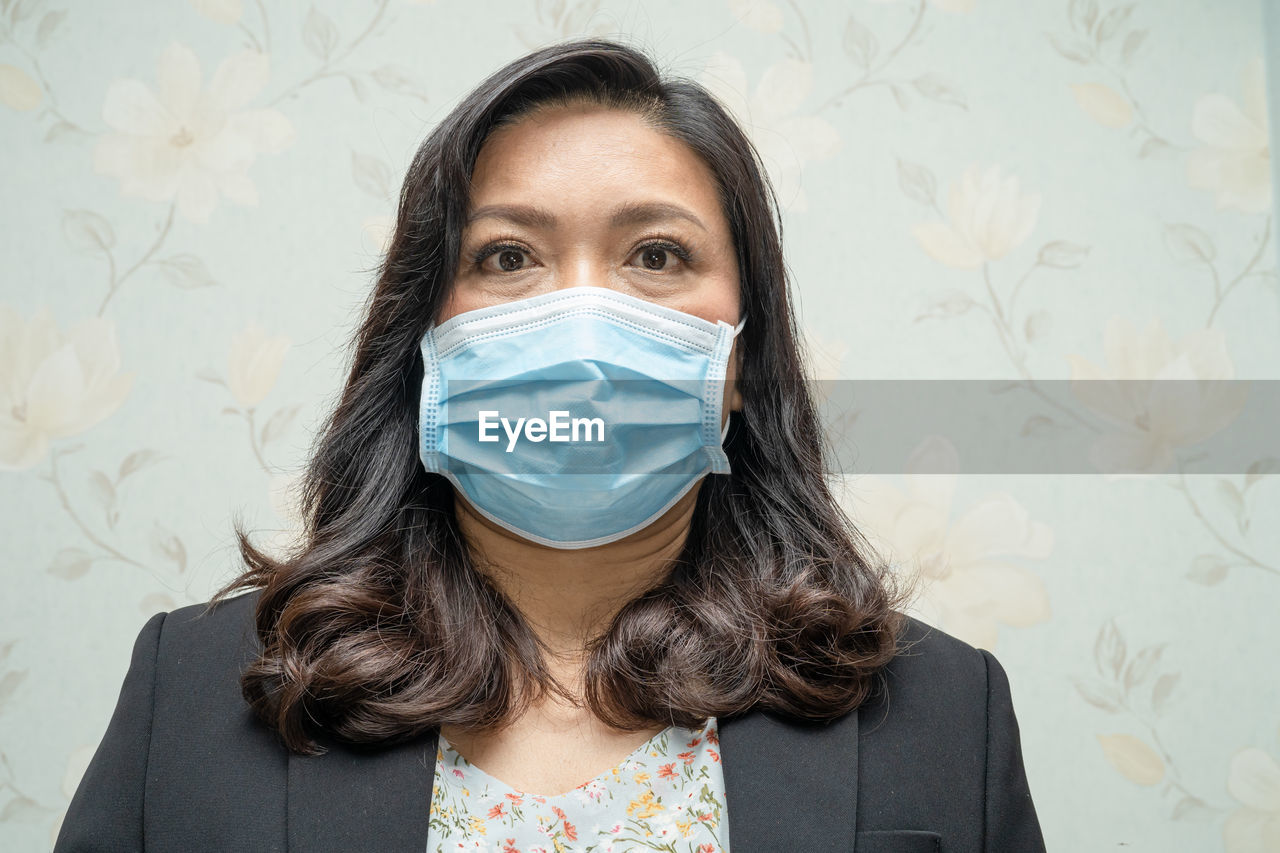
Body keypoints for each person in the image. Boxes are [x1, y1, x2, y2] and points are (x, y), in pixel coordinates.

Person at [54, 37, 1046, 853]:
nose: (581, 316)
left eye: (654, 255)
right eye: (507, 256)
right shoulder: (189, 694)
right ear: (424, 335)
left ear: (739, 356)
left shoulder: (943, 712)